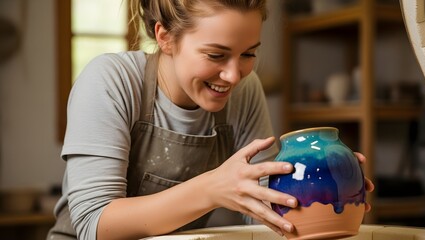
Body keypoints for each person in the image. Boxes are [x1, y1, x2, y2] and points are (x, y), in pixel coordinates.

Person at [47, 1, 374, 239]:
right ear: (165, 37)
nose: (234, 76)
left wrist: (320, 187)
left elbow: (260, 211)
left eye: (248, 54)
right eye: (216, 55)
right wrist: (213, 188)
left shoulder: (246, 92)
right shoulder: (111, 80)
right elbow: (94, 224)